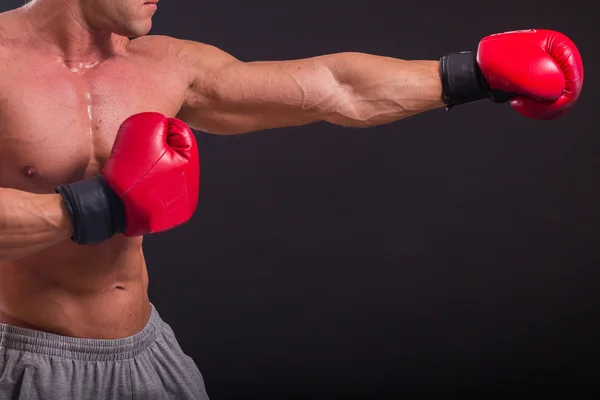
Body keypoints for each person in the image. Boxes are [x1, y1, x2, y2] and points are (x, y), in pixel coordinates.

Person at [0, 0, 584, 398]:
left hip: (144, 356)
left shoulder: (167, 64)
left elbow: (336, 87)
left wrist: (472, 74)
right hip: (20, 364)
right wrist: (97, 207)